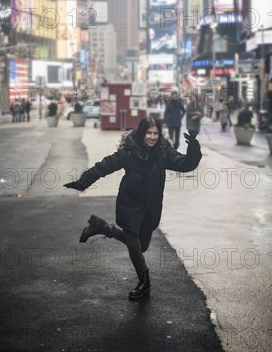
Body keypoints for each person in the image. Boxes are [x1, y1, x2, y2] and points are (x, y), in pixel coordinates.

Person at [64, 117, 202, 300]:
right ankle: (144, 282)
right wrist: (82, 183)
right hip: (129, 203)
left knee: (141, 246)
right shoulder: (129, 151)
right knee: (133, 244)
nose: (152, 137)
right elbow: (103, 167)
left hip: (151, 206)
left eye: (155, 133)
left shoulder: (163, 153)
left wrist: (193, 148)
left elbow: (186, 165)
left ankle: (102, 227)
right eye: (148, 133)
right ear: (141, 133)